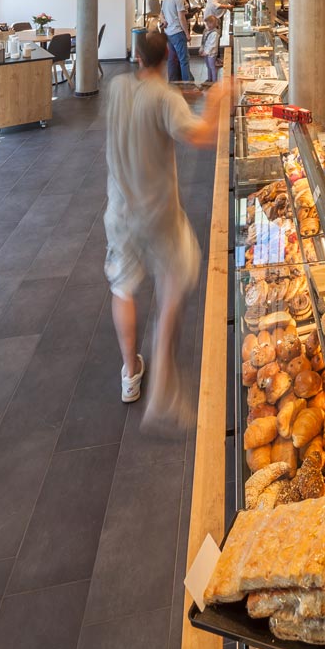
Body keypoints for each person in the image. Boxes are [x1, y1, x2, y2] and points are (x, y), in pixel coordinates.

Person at [104, 29, 223, 430]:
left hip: (120, 210)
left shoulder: (119, 88)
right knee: (176, 277)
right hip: (159, 213)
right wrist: (218, 97)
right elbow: (201, 136)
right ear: (165, 57)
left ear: (137, 59)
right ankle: (164, 378)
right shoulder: (165, 98)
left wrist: (185, 99)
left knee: (122, 286)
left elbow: (150, 106)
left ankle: (129, 372)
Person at [161, 0, 192, 83]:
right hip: (178, 32)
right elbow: (181, 18)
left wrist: (164, 21)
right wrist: (187, 34)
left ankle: (173, 81)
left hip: (169, 32)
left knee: (172, 59)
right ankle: (188, 84)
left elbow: (162, 13)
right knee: (184, 60)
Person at [200, 13, 221, 84]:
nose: (208, 25)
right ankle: (209, 79)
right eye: (207, 24)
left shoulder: (215, 33)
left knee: (212, 66)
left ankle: (214, 81)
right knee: (208, 66)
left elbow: (213, 45)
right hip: (206, 51)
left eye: (209, 24)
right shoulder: (207, 31)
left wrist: (206, 52)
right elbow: (203, 41)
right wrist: (202, 49)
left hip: (212, 53)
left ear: (214, 24)